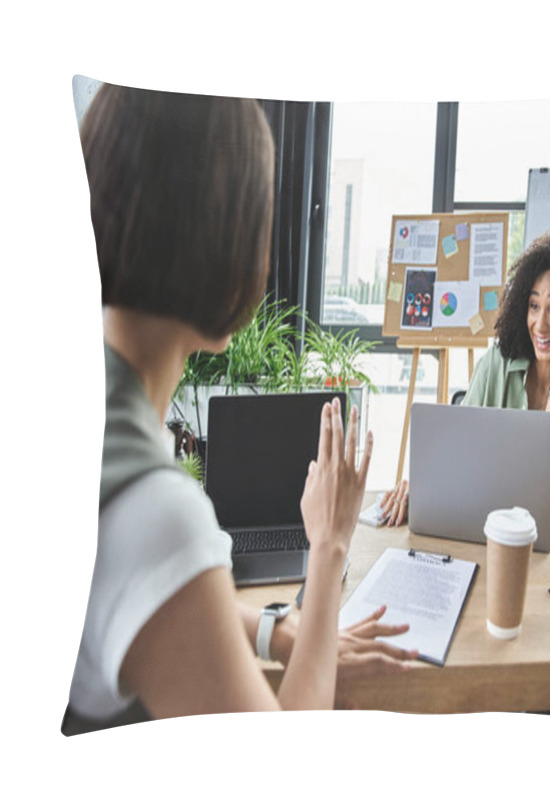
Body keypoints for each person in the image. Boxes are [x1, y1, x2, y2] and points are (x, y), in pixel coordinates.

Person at [63, 84, 416, 735]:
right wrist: (330, 545)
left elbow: (157, 609)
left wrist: (284, 633)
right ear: (231, 248)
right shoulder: (152, 510)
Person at [382, 229, 550, 526]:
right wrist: (420, 486)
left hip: (538, 533)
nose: (540, 324)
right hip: (479, 518)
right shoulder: (495, 364)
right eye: (534, 306)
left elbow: (547, 483)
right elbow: (456, 454)